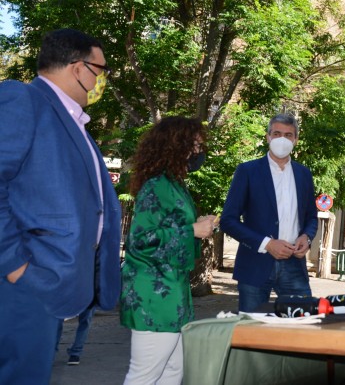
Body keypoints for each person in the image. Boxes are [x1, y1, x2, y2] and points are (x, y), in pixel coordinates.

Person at [0, 28, 122, 384]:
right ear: (78, 68)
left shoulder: (74, 121)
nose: (102, 80)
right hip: (24, 285)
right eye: (101, 70)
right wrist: (16, 267)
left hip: (53, 287)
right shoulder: (22, 100)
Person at [120, 117, 216, 384]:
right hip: (155, 295)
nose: (199, 151)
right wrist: (192, 231)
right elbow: (140, 240)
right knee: (144, 375)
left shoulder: (173, 184)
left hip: (172, 291)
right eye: (194, 144)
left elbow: (173, 231)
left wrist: (199, 227)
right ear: (176, 145)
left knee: (173, 371)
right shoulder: (157, 185)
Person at [220, 113, 318, 312]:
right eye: (277, 133)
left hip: (294, 264)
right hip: (255, 263)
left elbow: (311, 217)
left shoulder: (303, 174)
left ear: (295, 140)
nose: (282, 139)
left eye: (288, 135)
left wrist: (307, 237)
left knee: (301, 327)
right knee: (252, 331)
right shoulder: (247, 171)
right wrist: (267, 243)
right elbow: (228, 220)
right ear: (268, 137)